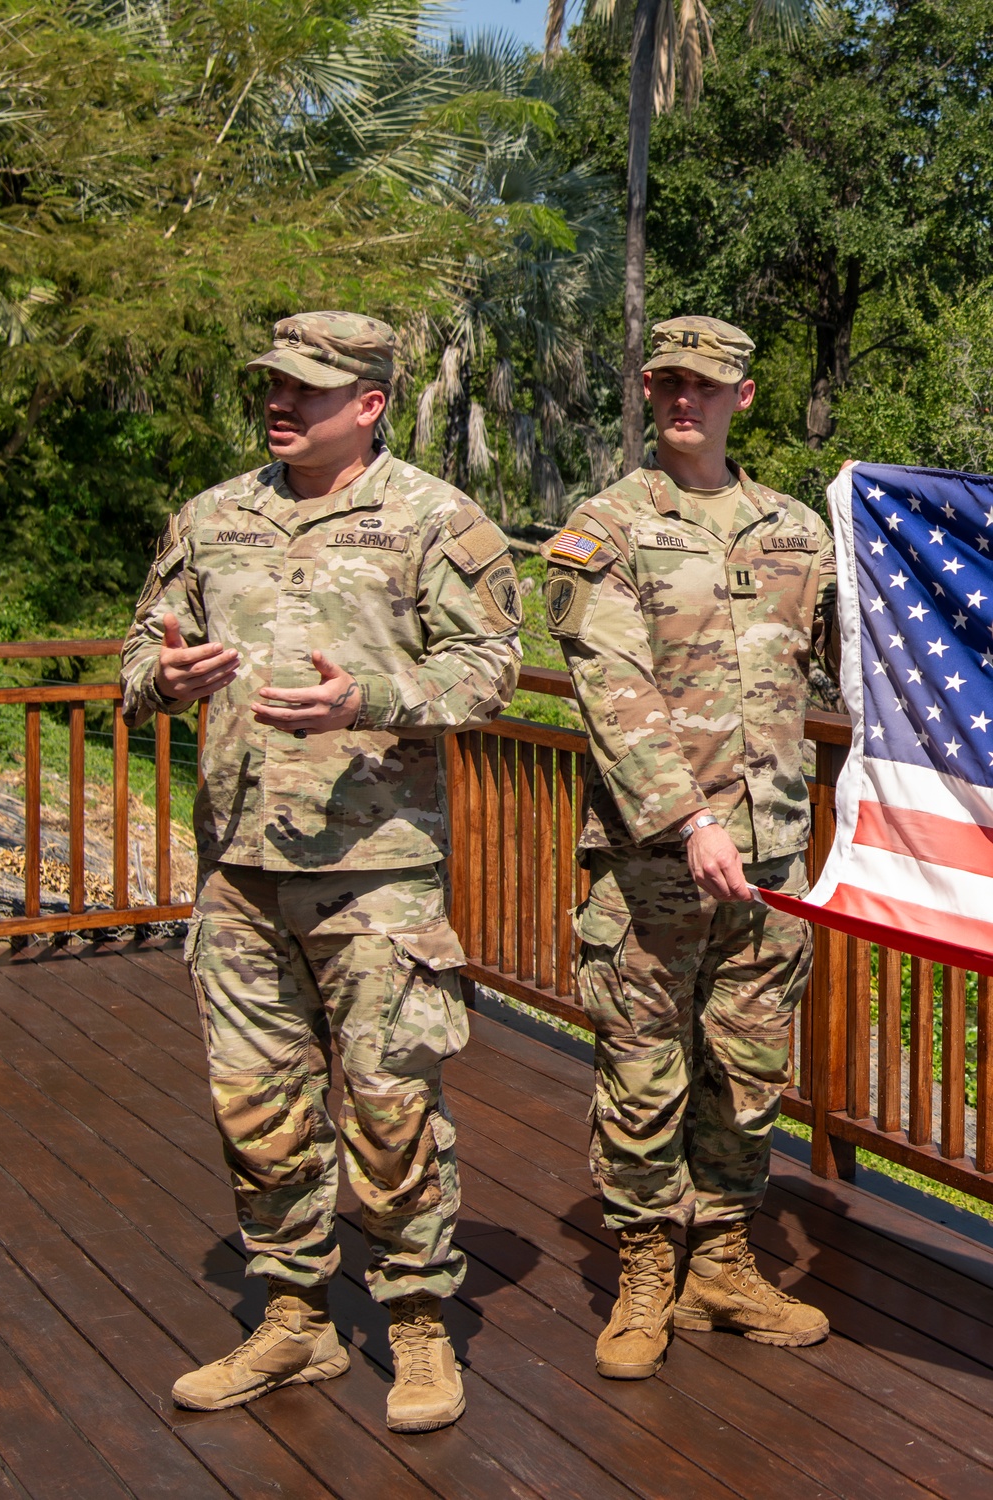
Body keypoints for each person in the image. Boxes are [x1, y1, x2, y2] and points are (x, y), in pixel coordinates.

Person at [121, 310, 521, 1432]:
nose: (279, 403)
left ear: (371, 404)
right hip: (238, 870)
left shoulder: (436, 519)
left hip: (377, 872)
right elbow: (139, 650)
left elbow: (491, 670)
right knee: (258, 1111)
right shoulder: (212, 516)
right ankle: (292, 1320)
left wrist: (374, 700)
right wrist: (168, 677)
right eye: (272, 386)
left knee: (392, 1111)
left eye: (306, 388)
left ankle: (418, 1326)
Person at [543, 315, 834, 1380]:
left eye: (704, 386)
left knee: (749, 1071)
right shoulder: (605, 529)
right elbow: (611, 696)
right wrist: (690, 819)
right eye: (666, 381)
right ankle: (643, 1271)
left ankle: (721, 1259)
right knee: (642, 1071)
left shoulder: (798, 530)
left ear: (741, 398)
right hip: (655, 865)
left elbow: (860, 669)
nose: (683, 399)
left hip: (772, 866)